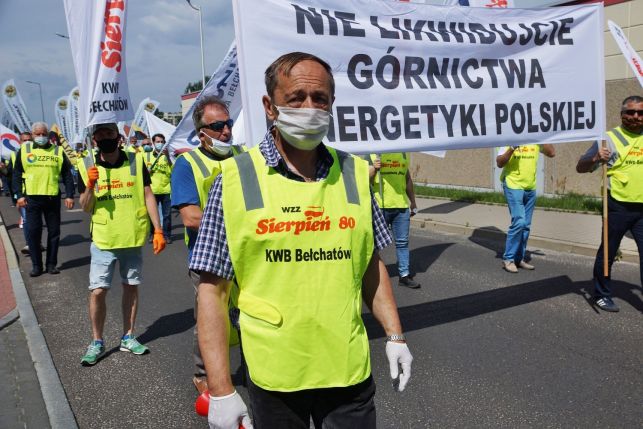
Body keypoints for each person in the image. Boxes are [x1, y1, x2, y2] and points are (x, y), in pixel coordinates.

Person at [191, 52, 412, 429]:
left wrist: (395, 335)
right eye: (296, 98)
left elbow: (371, 264)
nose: (310, 108)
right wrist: (222, 389)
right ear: (270, 106)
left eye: (320, 98)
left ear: (332, 105)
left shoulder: (356, 173)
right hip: (275, 374)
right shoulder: (234, 179)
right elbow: (212, 291)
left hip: (346, 369)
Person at [76, 122, 166, 366]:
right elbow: (85, 207)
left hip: (132, 237)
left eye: (110, 133)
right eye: (101, 134)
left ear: (118, 136)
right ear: (94, 138)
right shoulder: (86, 164)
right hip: (104, 239)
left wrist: (158, 229)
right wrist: (89, 186)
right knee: (98, 291)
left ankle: (128, 336)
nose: (106, 137)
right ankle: (96, 341)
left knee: (131, 287)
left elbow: (148, 194)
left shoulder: (136, 161)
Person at [170, 95, 242, 394]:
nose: (226, 131)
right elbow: (190, 217)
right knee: (211, 320)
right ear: (202, 134)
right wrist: (241, 223)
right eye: (217, 126)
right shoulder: (187, 164)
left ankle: (256, 369)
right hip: (208, 258)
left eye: (228, 123)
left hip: (246, 253)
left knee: (252, 313)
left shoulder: (243, 155)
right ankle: (204, 375)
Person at [576, 95, 643, 312]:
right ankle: (602, 294)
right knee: (608, 253)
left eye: (640, 113)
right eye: (630, 112)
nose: (636, 116)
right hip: (617, 206)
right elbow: (581, 167)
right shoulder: (608, 138)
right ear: (622, 114)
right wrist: (596, 158)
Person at [12, 122, 75, 277]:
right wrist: (18, 195)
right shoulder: (25, 150)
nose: (40, 137)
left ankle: (51, 264)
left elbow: (67, 174)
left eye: (43, 134)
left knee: (54, 232)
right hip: (32, 198)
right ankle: (36, 265)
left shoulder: (58, 151)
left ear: (48, 135)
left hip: (52, 198)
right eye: (37, 134)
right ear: (32, 136)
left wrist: (69, 195)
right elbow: (17, 173)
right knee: (33, 232)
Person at [496, 143, 555, 273]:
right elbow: (499, 163)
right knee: (519, 222)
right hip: (513, 184)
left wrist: (541, 138)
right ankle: (509, 259)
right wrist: (512, 148)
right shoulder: (508, 137)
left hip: (530, 187)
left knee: (526, 226)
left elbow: (551, 153)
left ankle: (519, 259)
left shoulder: (535, 138)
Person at [369, 153, 420, 288]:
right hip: (380, 206)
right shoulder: (373, 153)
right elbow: (364, 179)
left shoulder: (404, 153)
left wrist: (413, 202)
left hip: (401, 207)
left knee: (402, 242)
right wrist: (374, 169)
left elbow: (407, 178)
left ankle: (404, 276)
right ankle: (370, 276)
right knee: (373, 245)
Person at [144, 133, 173, 243]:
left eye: (162, 142)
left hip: (166, 190)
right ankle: (153, 234)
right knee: (152, 214)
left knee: (167, 215)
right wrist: (147, 172)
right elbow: (143, 174)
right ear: (153, 143)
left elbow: (172, 171)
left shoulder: (167, 157)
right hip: (152, 190)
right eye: (158, 142)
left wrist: (168, 157)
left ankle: (167, 235)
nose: (160, 144)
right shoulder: (147, 156)